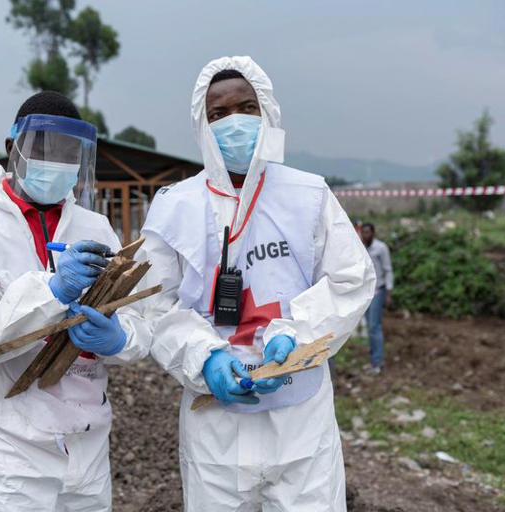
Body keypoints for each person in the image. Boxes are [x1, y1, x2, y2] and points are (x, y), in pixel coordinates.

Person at [133, 56, 376, 511]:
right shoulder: (175, 207)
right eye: (218, 114)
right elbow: (152, 304)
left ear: (269, 114)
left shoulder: (308, 194)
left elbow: (351, 279)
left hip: (301, 419)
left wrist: (294, 334)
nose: (234, 123)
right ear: (200, 125)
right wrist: (202, 356)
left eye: (247, 107)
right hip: (215, 426)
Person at [0, 91, 149, 511]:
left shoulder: (95, 228)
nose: (56, 161)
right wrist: (51, 291)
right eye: (44, 147)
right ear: (12, 149)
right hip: (3, 453)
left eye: (67, 151)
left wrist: (119, 338)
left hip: (86, 444)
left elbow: (140, 320)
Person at [360, 222, 394, 374]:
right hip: (365, 292)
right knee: (370, 327)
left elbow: (388, 270)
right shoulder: (360, 247)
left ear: (373, 233)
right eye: (363, 232)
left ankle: (378, 362)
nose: (365, 235)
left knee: (374, 326)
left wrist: (389, 293)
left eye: (368, 232)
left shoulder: (381, 248)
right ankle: (373, 360)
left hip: (378, 291)